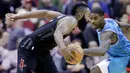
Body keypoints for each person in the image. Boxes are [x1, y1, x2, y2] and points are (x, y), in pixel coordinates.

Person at [6, 2, 91, 73]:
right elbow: (57, 34)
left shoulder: (63, 17)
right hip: (29, 48)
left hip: (42, 52)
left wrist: (19, 16)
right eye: (88, 15)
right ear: (80, 14)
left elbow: (45, 13)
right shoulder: (72, 21)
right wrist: (63, 49)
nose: (89, 19)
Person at [83, 7, 130, 73]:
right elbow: (124, 26)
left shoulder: (107, 33)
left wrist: (82, 51)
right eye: (91, 18)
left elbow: (102, 51)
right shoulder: (109, 20)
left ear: (102, 17)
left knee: (95, 70)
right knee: (94, 70)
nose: (93, 21)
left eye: (95, 18)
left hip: (125, 57)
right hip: (116, 57)